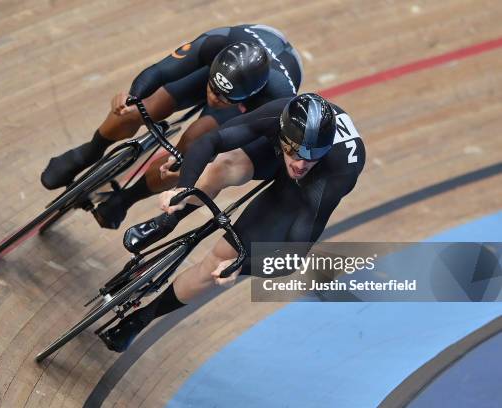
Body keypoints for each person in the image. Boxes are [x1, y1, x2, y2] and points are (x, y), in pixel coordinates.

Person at [99, 93, 366, 352]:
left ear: (326, 149)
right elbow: (211, 142)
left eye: (312, 155)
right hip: (272, 152)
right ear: (283, 133)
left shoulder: (335, 175)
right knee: (222, 165)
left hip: (300, 192)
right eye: (295, 152)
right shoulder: (277, 115)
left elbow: (293, 254)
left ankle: (141, 318)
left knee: (220, 262)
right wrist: (183, 188)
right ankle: (166, 221)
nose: (301, 163)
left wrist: (241, 266)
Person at [40, 24, 303, 229]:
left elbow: (234, 141)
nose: (213, 97)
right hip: (219, 68)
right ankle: (89, 151)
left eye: (223, 97)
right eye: (212, 89)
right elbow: (161, 71)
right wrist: (133, 96)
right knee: (142, 108)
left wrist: (186, 167)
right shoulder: (216, 42)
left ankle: (127, 198)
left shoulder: (275, 100)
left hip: (247, 103)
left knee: (193, 144)